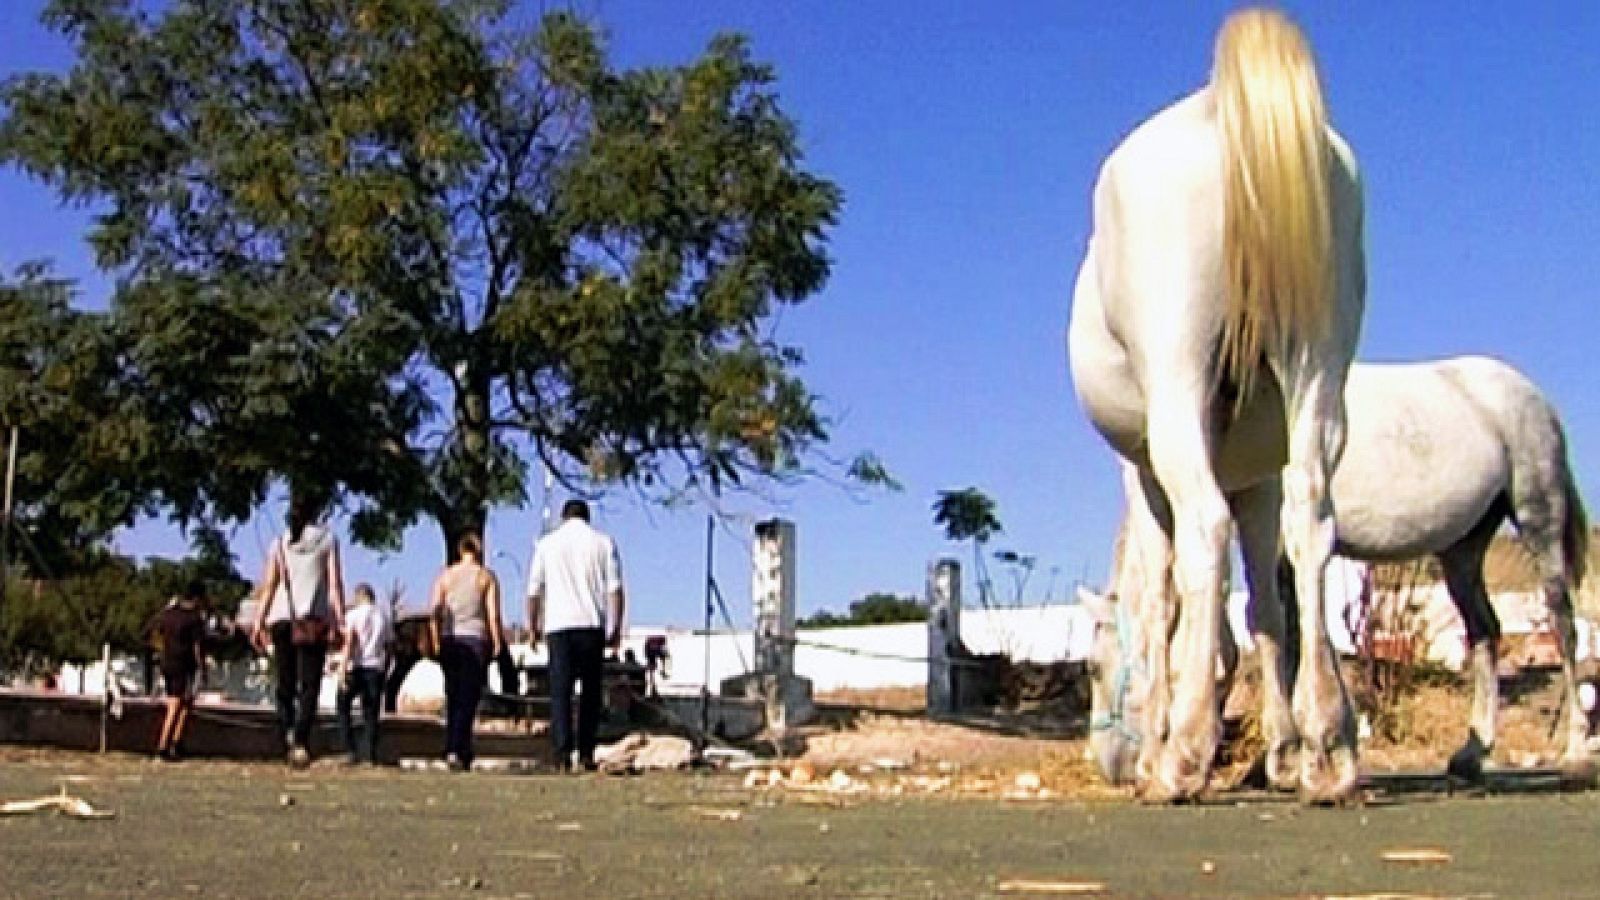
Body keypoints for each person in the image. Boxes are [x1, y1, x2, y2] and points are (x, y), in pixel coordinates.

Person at [527, 499, 626, 772]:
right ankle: (585, 752)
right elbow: (615, 589)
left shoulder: (547, 544)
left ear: (563, 517)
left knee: (561, 693)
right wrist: (615, 628)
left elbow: (534, 590)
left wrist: (533, 626)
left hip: (558, 626)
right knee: (590, 694)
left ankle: (561, 753)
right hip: (591, 625)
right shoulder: (604, 543)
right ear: (587, 517)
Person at [252, 491, 346, 769]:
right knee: (310, 685)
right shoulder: (328, 540)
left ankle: (288, 731)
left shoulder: (280, 544)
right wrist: (339, 621)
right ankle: (302, 740)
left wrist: (259, 620)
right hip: (312, 619)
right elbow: (334, 584)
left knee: (285, 682)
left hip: (281, 618)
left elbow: (269, 585)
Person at [429, 532, 504, 771]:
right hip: (475, 639)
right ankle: (462, 747)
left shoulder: (446, 576)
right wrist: (497, 640)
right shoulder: (486, 577)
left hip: (451, 639)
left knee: (452, 695)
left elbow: (435, 612)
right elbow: (492, 614)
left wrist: (436, 640)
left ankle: (451, 746)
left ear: (460, 550)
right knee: (469, 698)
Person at [337, 583, 392, 765]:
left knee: (343, 705)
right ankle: (369, 754)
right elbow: (388, 644)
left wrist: (342, 670)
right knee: (371, 712)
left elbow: (350, 642)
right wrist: (385, 668)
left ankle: (349, 748)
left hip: (356, 666)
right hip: (375, 667)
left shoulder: (353, 615)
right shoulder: (383, 617)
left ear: (358, 596)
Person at [152, 580, 208, 761]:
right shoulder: (194, 618)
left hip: (167, 662)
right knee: (175, 704)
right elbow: (197, 646)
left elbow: (154, 633)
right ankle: (163, 746)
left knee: (185, 703)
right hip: (183, 664)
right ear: (198, 598)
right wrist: (203, 668)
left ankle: (176, 743)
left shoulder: (168, 614)